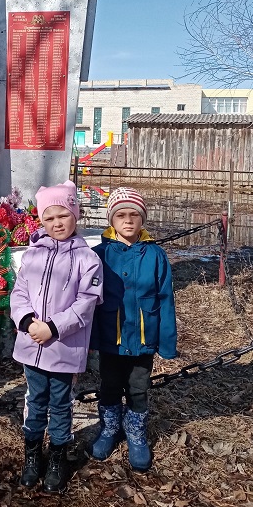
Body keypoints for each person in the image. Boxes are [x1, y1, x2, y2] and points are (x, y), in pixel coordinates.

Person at [10, 180, 103, 493]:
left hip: (63, 347)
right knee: (35, 401)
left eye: (62, 215)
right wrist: (25, 320)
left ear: (75, 215)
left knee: (61, 404)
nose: (56, 223)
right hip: (31, 344)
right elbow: (19, 292)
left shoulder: (87, 260)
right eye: (48, 218)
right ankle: (33, 454)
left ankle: (58, 456)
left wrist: (53, 327)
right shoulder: (32, 256)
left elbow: (85, 305)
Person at [90, 187, 178, 471]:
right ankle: (109, 428)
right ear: (111, 221)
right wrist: (89, 339)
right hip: (111, 337)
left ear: (142, 220)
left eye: (134, 216)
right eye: (121, 216)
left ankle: (136, 434)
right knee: (110, 384)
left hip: (143, 336)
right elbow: (88, 300)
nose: (128, 221)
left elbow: (165, 299)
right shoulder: (99, 254)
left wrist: (166, 341)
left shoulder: (156, 255)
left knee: (139, 387)